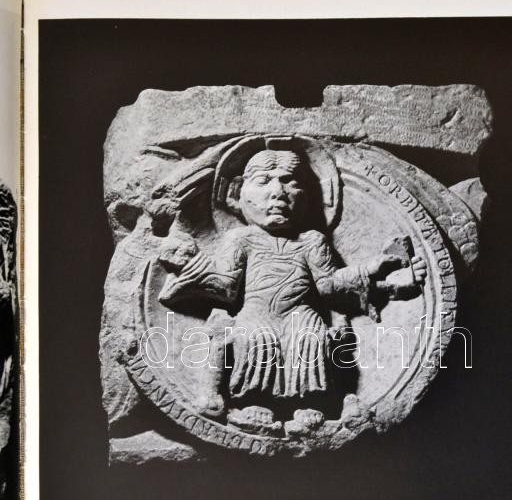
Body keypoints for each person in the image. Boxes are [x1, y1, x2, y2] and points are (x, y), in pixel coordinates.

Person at [159, 149, 426, 434]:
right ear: (237, 194)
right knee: (257, 338)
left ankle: (310, 404)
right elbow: (226, 287)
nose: (278, 192)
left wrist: (373, 268)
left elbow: (329, 284)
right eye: (263, 181)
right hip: (256, 312)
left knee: (309, 338)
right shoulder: (240, 239)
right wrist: (192, 268)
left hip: (302, 313)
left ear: (309, 197)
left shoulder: (312, 241)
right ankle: (254, 403)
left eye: (290, 181)